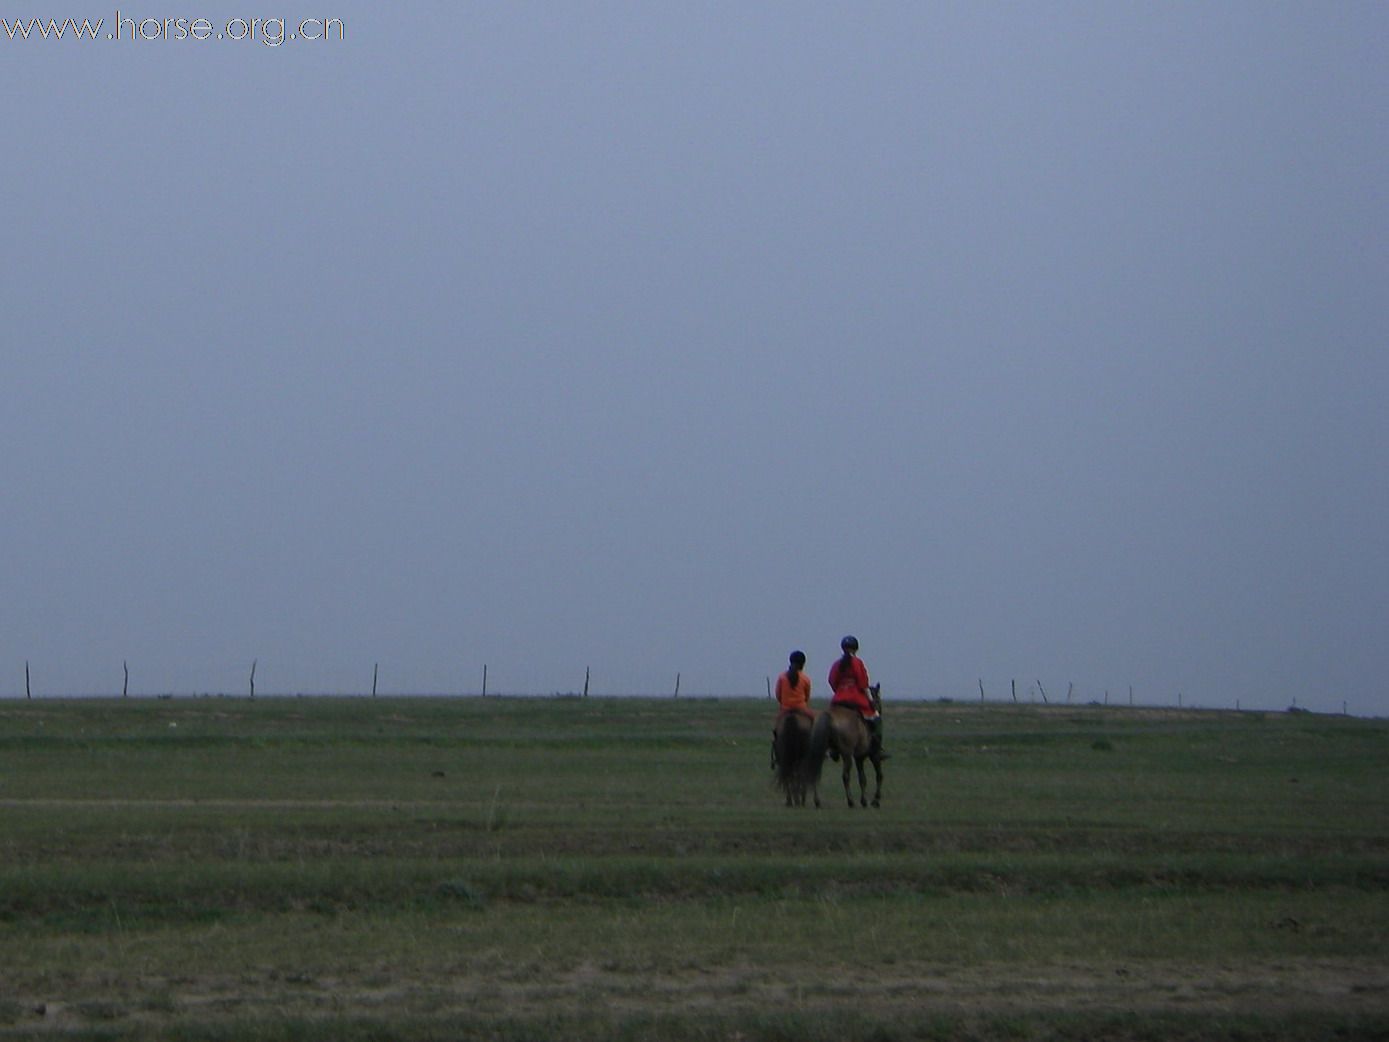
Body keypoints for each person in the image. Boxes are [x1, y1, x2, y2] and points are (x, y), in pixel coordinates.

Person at [828, 635, 888, 759]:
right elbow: (863, 684)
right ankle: (877, 749)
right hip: (855, 698)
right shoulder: (857, 663)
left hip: (838, 698)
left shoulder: (836, 664)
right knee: (876, 718)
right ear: (856, 649)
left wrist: (839, 691)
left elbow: (832, 680)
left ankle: (831, 748)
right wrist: (870, 700)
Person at [771, 650, 814, 767]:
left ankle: (776, 754)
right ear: (803, 664)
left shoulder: (782, 677)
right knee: (815, 723)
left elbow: (778, 695)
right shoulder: (805, 679)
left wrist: (785, 704)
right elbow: (807, 696)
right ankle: (818, 751)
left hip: (785, 709)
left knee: (776, 731)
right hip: (801, 708)